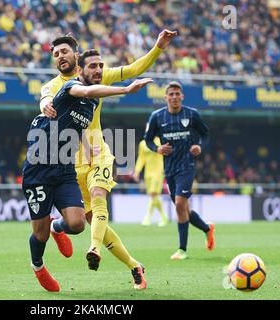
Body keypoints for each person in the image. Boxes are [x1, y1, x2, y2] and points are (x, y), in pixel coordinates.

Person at [40, 30, 176, 289]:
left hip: (99, 154)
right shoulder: (53, 86)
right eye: (56, 54)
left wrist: (158, 47)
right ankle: (134, 266)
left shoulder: (96, 74)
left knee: (99, 198)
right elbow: (45, 98)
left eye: (65, 51)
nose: (100, 69)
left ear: (76, 56)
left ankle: (94, 249)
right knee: (90, 220)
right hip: (71, 163)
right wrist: (45, 105)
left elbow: (135, 68)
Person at [23, 49, 152, 292]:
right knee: (39, 234)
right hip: (39, 165)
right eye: (93, 66)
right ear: (81, 69)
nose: (99, 71)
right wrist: (125, 90)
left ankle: (77, 238)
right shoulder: (71, 86)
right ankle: (38, 266)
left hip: (65, 166)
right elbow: (71, 94)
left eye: (101, 66)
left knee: (79, 223)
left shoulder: (92, 102)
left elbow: (78, 124)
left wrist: (87, 147)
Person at [144, 81, 215, 260]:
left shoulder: (192, 114)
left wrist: (199, 146)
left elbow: (205, 134)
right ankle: (207, 228)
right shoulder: (157, 117)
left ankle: (182, 250)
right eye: (171, 94)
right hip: (169, 169)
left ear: (182, 96)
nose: (174, 97)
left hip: (187, 166)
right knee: (182, 208)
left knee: (180, 204)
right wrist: (157, 149)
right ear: (166, 97)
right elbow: (148, 140)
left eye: (177, 94)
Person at [133, 137, 169, 227]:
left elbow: (167, 155)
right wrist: (137, 171)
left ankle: (147, 217)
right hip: (147, 173)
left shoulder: (161, 141)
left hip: (158, 172)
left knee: (153, 193)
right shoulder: (142, 143)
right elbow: (141, 158)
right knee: (154, 196)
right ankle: (164, 217)